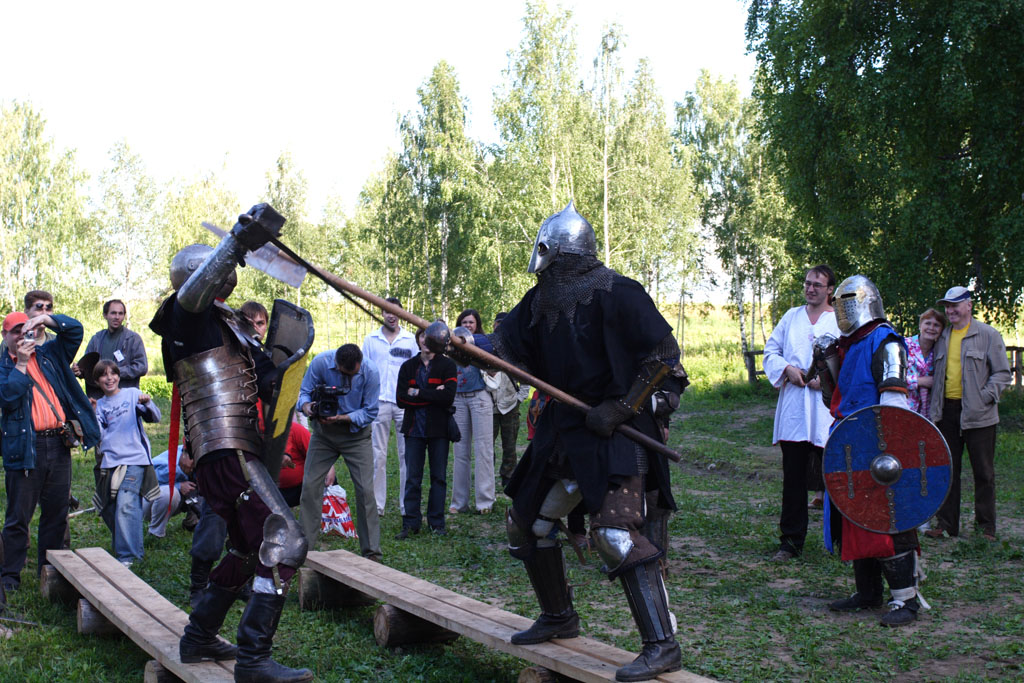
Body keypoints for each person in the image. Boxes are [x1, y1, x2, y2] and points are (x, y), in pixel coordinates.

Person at [478, 202, 688, 681]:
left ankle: (662, 645)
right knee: (524, 524)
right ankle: (558, 616)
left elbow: (663, 353)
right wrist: (461, 345)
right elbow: (504, 346)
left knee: (614, 536)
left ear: (563, 252)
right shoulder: (540, 300)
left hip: (614, 430)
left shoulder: (620, 292)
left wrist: (623, 406)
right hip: (563, 430)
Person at [149, 205, 313, 682]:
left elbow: (270, 381)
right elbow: (195, 294)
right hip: (223, 449)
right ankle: (254, 660)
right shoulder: (184, 316)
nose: (230, 274)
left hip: (240, 447)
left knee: (246, 550)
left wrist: (286, 368)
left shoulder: (232, 326)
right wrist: (238, 240)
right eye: (221, 267)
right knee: (286, 540)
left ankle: (199, 636)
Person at [817, 275, 923, 627]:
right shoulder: (850, 344)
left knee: (888, 518)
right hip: (850, 440)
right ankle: (868, 592)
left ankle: (906, 599)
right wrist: (827, 363)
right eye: (838, 302)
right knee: (855, 515)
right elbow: (836, 396)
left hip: (879, 443)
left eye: (848, 300)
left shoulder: (885, 340)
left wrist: (888, 447)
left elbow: (894, 400)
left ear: (865, 301)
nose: (842, 308)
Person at [0, 309, 100, 594]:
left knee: (56, 513)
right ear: (5, 336)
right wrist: (21, 363)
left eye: (26, 329)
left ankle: (50, 571)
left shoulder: (49, 354)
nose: (22, 335)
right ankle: (10, 576)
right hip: (25, 447)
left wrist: (47, 320)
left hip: (58, 443)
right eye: (15, 331)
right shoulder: (4, 366)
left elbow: (75, 331)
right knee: (19, 516)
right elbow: (7, 398)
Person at [761, 265, 839, 562]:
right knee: (793, 478)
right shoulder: (792, 317)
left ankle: (842, 541)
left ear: (830, 289)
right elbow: (771, 351)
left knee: (835, 476)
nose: (810, 288)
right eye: (807, 283)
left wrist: (827, 380)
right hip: (795, 407)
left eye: (817, 284)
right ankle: (791, 543)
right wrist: (787, 369)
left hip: (826, 409)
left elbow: (845, 358)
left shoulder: (838, 321)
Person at [925, 286, 1011, 541]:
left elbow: (1002, 373)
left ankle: (986, 528)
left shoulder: (987, 335)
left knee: (983, 472)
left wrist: (984, 397)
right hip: (947, 412)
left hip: (979, 414)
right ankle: (946, 525)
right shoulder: (942, 336)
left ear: (968, 305)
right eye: (947, 306)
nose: (949, 310)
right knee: (947, 469)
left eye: (954, 305)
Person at [298, 343, 382, 561]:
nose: (348, 379)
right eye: (344, 374)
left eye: (352, 375)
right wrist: (308, 407)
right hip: (324, 435)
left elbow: (370, 411)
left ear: (359, 364)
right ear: (336, 363)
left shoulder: (370, 372)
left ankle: (371, 553)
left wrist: (342, 418)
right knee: (310, 486)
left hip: (356, 436)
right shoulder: (320, 363)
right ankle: (304, 550)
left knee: (365, 491)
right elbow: (303, 393)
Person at [91, 360, 162, 566]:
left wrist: (147, 402)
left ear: (118, 376)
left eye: (113, 373)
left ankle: (128, 557)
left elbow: (155, 417)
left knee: (127, 502)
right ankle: (127, 547)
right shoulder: (99, 405)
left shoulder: (132, 394)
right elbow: (98, 435)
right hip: (110, 462)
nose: (109, 378)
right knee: (108, 507)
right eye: (103, 375)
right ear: (97, 381)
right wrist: (92, 413)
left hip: (134, 459)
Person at [395, 328, 457, 538]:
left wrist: (418, 393)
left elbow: (448, 397)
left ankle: (436, 523)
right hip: (414, 429)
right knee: (413, 478)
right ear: (418, 340)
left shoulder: (447, 366)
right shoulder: (408, 366)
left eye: (430, 336)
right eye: (422, 336)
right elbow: (401, 400)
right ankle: (411, 523)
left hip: (439, 429)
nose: (426, 340)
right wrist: (433, 395)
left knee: (438, 477)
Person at [362, 298, 418, 517]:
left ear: (401, 314)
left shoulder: (410, 340)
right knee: (378, 455)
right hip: (379, 402)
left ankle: (407, 505)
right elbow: (364, 371)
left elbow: (417, 369)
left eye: (395, 312)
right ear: (382, 313)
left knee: (407, 455)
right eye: (387, 311)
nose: (391, 315)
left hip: (404, 404)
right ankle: (377, 505)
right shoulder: (371, 340)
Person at [449, 309, 496, 515]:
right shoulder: (451, 346)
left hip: (480, 397)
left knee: (484, 449)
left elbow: (495, 369)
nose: (468, 325)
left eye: (471, 322)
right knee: (460, 451)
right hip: (458, 398)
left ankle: (485, 502)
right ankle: (459, 503)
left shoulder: (484, 344)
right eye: (464, 322)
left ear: (477, 325)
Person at [486, 311, 529, 490]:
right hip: (489, 404)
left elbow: (525, 376)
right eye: (498, 324)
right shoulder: (486, 346)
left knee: (510, 445)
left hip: (510, 404)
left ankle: (508, 476)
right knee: (488, 446)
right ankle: (487, 475)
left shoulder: (514, 348)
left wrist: (519, 398)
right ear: (494, 325)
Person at [75, 299, 149, 398]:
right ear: (105, 315)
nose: (117, 317)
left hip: (124, 398)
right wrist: (79, 371)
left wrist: (114, 372)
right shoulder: (96, 339)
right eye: (113, 313)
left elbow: (142, 367)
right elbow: (87, 368)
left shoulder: (133, 339)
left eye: (120, 313)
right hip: (98, 398)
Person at [143, 446, 199, 538]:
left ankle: (192, 522)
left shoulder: (199, 455)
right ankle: (155, 533)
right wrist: (179, 486)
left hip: (174, 501)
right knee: (168, 493)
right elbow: (146, 483)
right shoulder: (169, 466)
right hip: (146, 503)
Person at [905, 309, 946, 416]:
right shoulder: (904, 346)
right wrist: (919, 381)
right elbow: (891, 379)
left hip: (927, 413)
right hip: (903, 408)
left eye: (936, 325)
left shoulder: (940, 352)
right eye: (928, 323)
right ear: (920, 325)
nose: (931, 328)